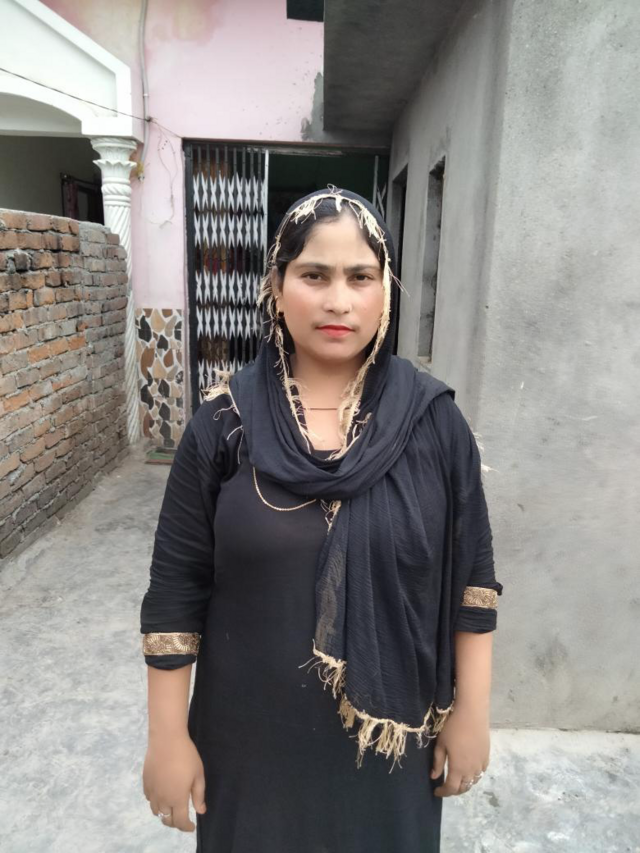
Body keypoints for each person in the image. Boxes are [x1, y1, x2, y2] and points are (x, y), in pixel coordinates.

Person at [140, 186, 503, 852]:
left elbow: (473, 583)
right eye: (314, 275)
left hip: (389, 744)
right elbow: (174, 593)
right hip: (248, 745)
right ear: (277, 287)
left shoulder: (433, 423)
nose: (339, 300)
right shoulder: (225, 423)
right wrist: (168, 737)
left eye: (360, 277)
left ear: (385, 292)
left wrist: (472, 714)